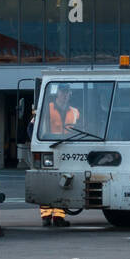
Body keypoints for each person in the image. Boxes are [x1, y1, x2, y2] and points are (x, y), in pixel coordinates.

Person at [39, 87, 80, 227]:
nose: (65, 95)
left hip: (67, 150)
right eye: (63, 92)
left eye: (68, 92)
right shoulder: (46, 109)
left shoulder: (75, 112)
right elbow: (32, 127)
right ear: (57, 93)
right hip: (49, 148)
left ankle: (58, 216)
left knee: (64, 184)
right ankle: (46, 216)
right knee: (46, 183)